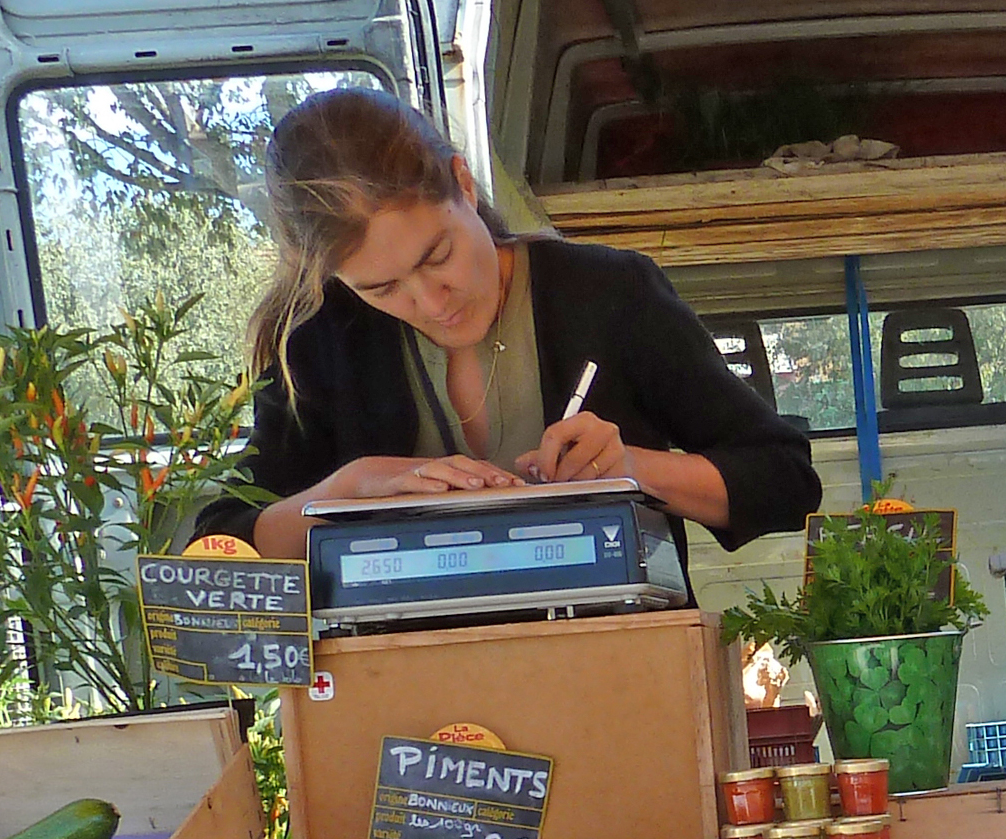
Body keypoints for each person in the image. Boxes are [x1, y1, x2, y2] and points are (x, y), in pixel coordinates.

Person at [197, 90, 823, 566]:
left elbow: (784, 478)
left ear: (463, 185)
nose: (429, 301)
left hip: (620, 678)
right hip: (401, 701)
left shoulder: (609, 293)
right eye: (381, 289)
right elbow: (219, 545)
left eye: (436, 256)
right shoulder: (317, 341)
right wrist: (346, 491)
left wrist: (631, 467)